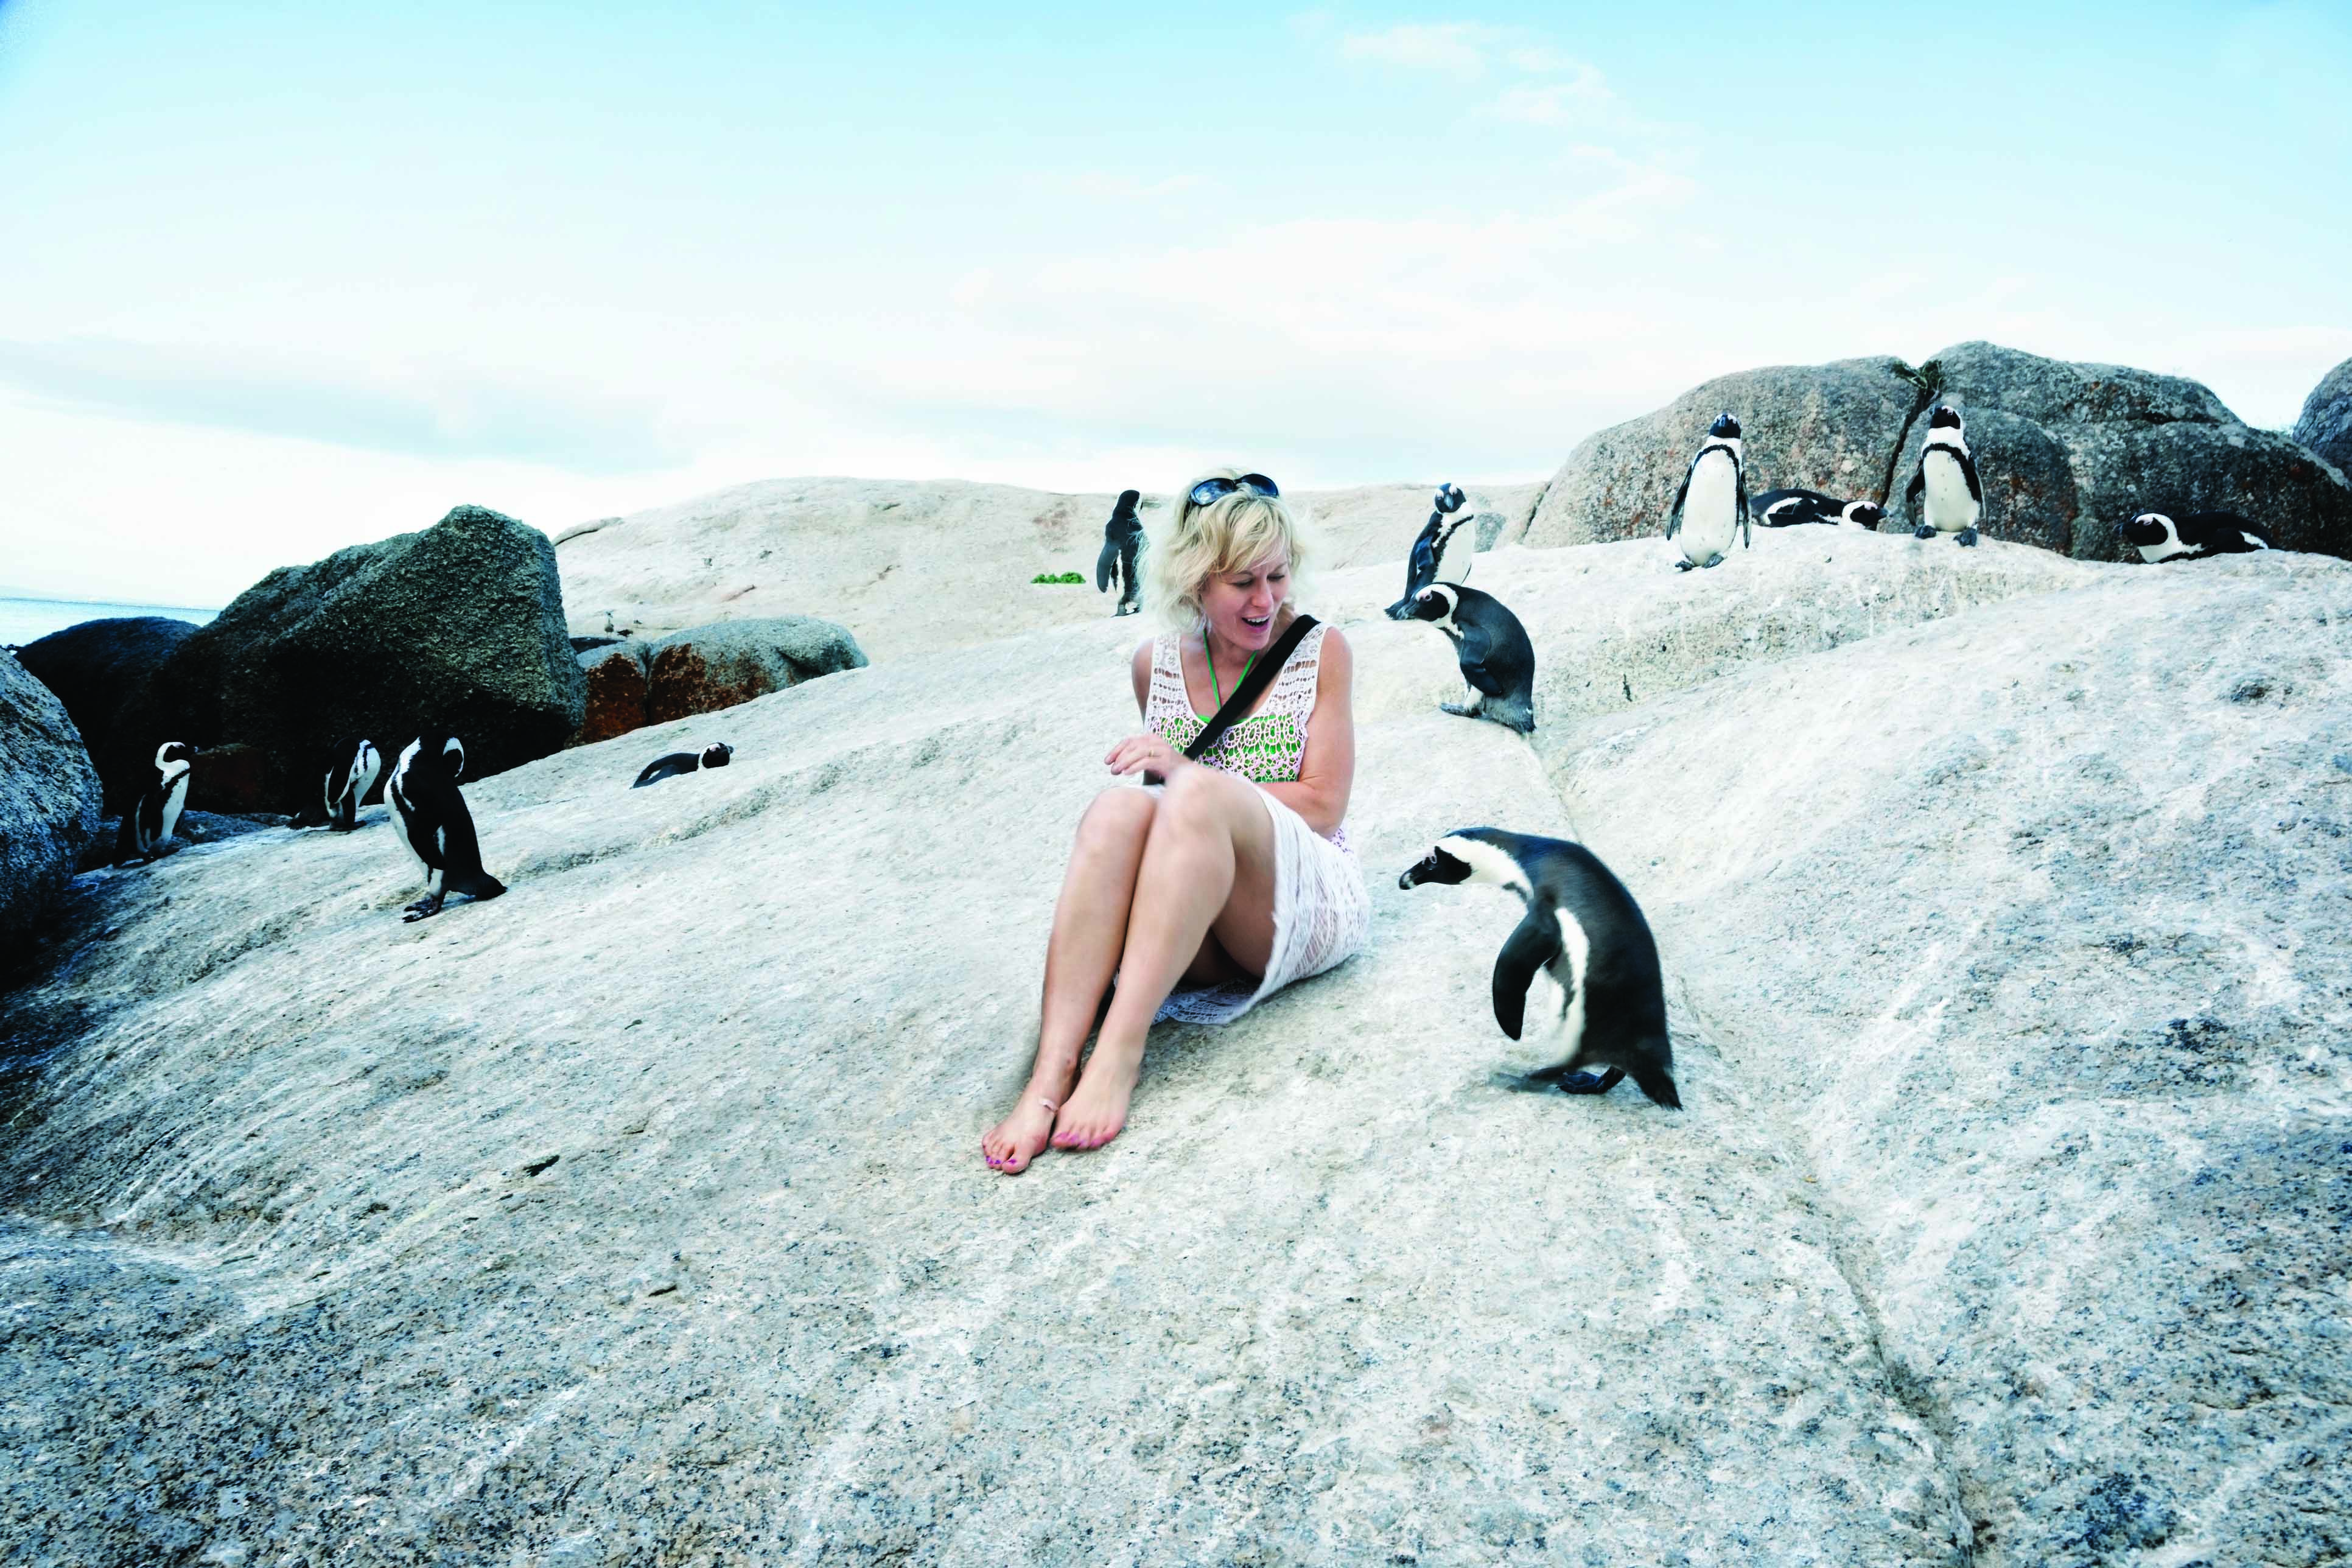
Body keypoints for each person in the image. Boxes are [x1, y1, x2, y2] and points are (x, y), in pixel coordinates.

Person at [982, 469, 1373, 1174]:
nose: (1265, 599)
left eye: (1277, 576)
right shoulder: (1153, 665)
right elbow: (1158, 834)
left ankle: (1119, 1055)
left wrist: (1193, 775)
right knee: (1117, 809)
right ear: (1197, 581)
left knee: (1189, 793)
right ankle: (1051, 1074)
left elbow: (1322, 803)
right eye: (1242, 583)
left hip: (1302, 898)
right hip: (1204, 920)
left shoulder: (1323, 650)